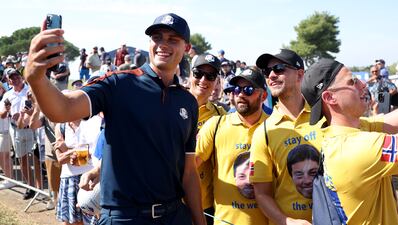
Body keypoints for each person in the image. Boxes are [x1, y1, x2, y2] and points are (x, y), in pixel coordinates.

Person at [25, 12, 205, 225]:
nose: (163, 44)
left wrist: (199, 221)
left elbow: (189, 171)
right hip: (125, 217)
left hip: (174, 216)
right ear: (149, 43)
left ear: (186, 48)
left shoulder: (188, 102)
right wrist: (35, 77)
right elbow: (62, 110)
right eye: (157, 37)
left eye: (172, 39)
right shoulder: (119, 84)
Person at [301, 58, 398, 224]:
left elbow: (394, 120)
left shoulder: (349, 130)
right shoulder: (352, 148)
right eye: (352, 81)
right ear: (330, 97)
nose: (363, 83)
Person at [249, 49, 322, 225]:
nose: (271, 75)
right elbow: (262, 193)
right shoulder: (264, 132)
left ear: (300, 74)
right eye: (267, 71)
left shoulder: (325, 116)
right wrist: (287, 221)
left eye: (279, 68)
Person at [196, 67, 269, 225]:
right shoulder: (216, 125)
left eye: (248, 89)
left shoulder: (275, 127)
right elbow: (189, 166)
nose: (241, 94)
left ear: (263, 95)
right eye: (237, 89)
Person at [188, 53, 226, 225]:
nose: (203, 80)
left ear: (216, 82)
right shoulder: (169, 104)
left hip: (206, 206)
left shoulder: (221, 115)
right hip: (172, 203)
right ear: (190, 74)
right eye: (198, 73)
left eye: (210, 76)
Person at [0, 68, 36, 200]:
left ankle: (37, 187)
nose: (15, 80)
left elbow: (36, 110)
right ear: (8, 81)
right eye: (12, 78)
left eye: (16, 77)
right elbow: (2, 114)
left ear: (22, 77)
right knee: (22, 159)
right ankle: (30, 187)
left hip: (33, 129)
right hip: (15, 129)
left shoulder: (30, 91)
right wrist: (8, 111)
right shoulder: (7, 95)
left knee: (36, 160)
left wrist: (26, 113)